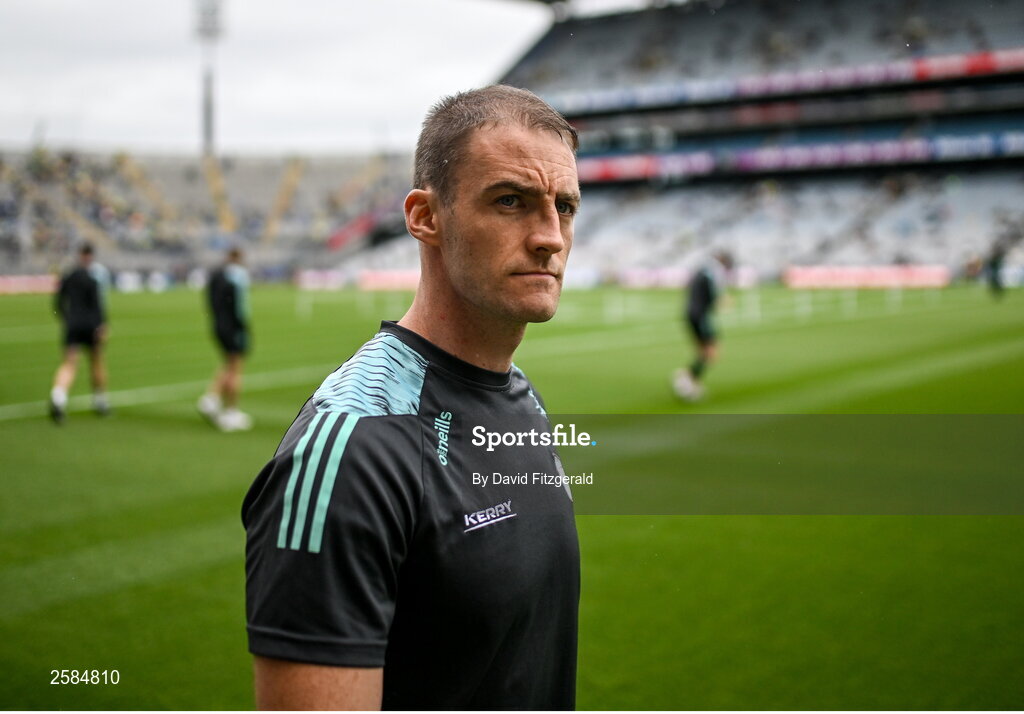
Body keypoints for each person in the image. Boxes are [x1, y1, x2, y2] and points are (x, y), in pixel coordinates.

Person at [243, 85, 581, 710]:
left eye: (564, 207)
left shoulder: (519, 392)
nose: (550, 237)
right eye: (511, 201)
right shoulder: (354, 451)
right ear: (426, 216)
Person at [49, 242, 111, 424]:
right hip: (91, 326)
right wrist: (102, 325)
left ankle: (58, 397)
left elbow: (58, 303)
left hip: (72, 325)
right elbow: (98, 306)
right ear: (90, 257)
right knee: (97, 362)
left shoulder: (68, 276)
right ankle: (100, 401)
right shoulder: (93, 279)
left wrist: (66, 319)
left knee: (69, 364)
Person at [198, 247, 253, 432]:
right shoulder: (238, 275)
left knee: (228, 362)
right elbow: (240, 307)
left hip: (218, 323)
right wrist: (243, 326)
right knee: (236, 366)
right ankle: (231, 412)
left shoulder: (216, 274)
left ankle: (211, 398)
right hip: (233, 326)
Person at [674, 250, 733, 401]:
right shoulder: (714, 271)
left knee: (703, 351)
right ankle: (686, 378)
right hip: (700, 316)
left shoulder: (703, 269)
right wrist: (724, 301)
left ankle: (690, 378)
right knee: (711, 352)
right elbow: (717, 297)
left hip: (691, 313)